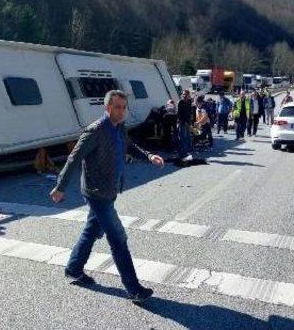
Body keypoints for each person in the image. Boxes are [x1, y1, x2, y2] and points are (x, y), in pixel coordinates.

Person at [50, 90, 164, 303]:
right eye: (116, 107)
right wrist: (60, 187)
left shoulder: (120, 127)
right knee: (118, 238)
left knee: (91, 230)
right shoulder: (95, 131)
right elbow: (74, 158)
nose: (121, 111)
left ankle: (73, 269)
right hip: (96, 193)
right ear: (107, 108)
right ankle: (134, 289)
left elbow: (129, 146)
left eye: (123, 107)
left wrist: (149, 156)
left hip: (109, 190)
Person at [176, 90, 193, 158]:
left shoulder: (189, 102)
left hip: (187, 121)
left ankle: (189, 148)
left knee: (188, 135)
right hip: (182, 121)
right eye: (183, 94)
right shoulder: (180, 102)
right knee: (182, 135)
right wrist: (180, 121)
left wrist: (190, 120)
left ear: (188, 95)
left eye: (185, 94)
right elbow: (178, 113)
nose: (184, 95)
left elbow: (190, 111)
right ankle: (183, 150)